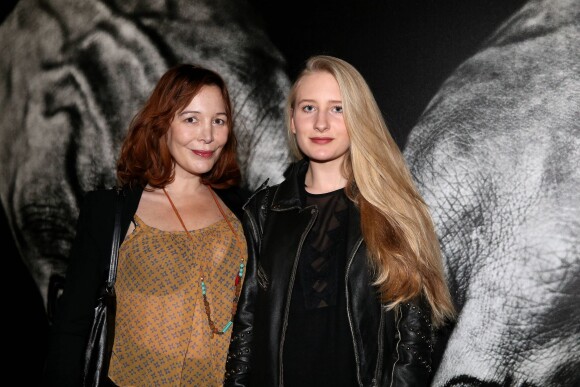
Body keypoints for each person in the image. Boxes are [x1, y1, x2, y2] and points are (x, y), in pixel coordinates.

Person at [224, 55, 456, 386]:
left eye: (337, 108)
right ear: (292, 120)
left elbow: (413, 340)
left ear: (358, 118)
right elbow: (244, 328)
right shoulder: (262, 212)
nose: (321, 123)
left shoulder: (394, 209)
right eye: (308, 108)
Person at [43, 64, 249, 386]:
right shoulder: (110, 211)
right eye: (191, 118)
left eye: (218, 121)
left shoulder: (242, 210)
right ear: (163, 123)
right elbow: (71, 325)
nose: (207, 135)